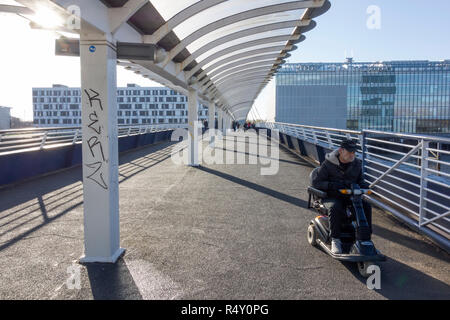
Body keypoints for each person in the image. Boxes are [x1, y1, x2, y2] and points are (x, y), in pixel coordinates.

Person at [312, 139, 372, 254]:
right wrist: (332, 185)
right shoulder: (328, 164)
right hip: (332, 196)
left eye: (354, 152)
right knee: (335, 207)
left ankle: (366, 238)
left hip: (350, 197)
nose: (352, 154)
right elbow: (317, 183)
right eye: (350, 152)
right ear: (340, 150)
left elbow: (360, 181)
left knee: (366, 206)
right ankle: (335, 239)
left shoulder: (357, 164)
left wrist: (365, 186)